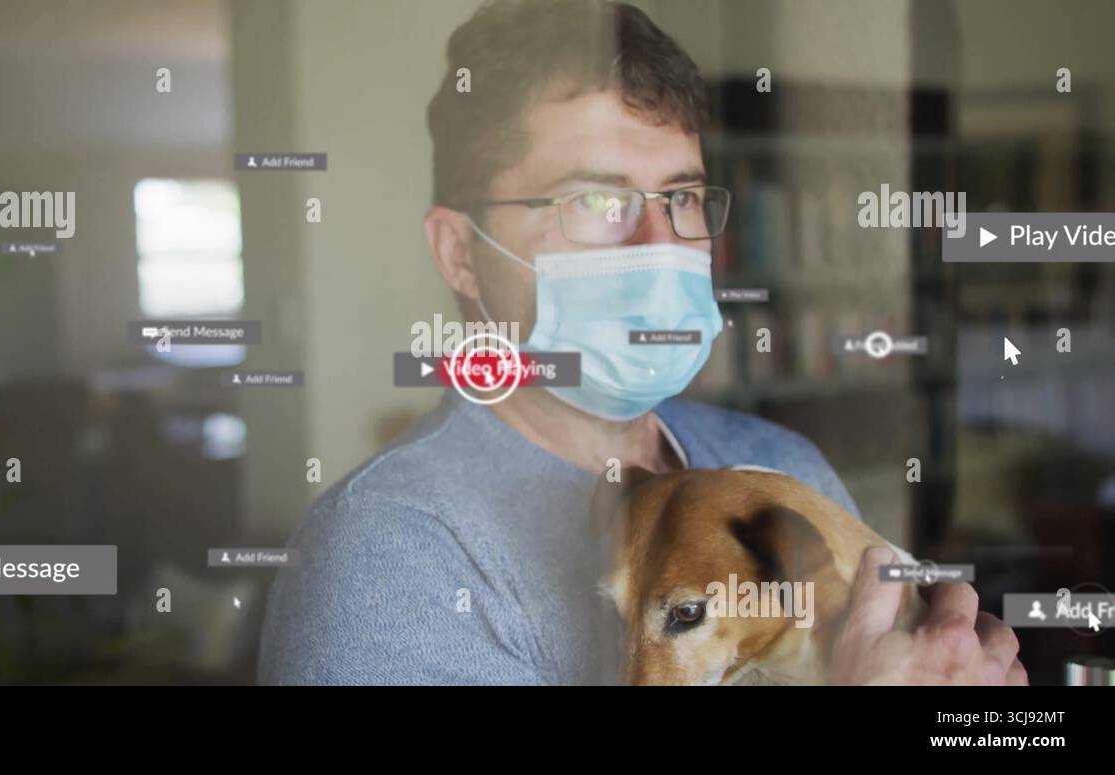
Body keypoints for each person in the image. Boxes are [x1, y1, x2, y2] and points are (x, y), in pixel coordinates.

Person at [258, 0, 1025, 686]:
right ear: (460, 251)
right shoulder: (386, 559)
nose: (660, 243)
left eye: (682, 196)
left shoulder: (784, 468)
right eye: (597, 199)